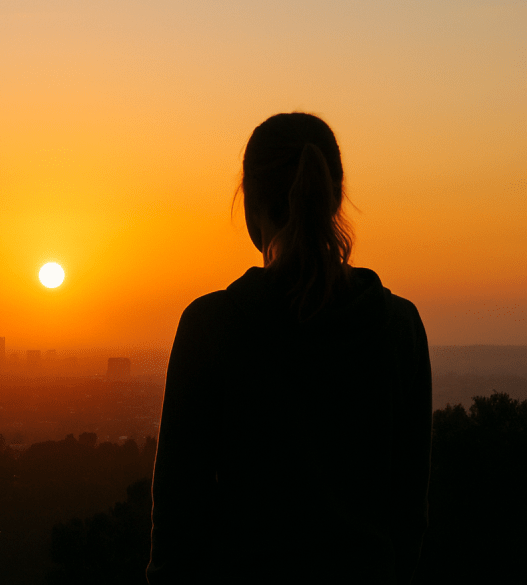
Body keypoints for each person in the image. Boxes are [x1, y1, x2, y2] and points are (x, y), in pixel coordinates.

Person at [148, 113, 432, 584]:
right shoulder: (397, 326)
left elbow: (177, 518)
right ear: (335, 196)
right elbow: (409, 510)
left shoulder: (212, 326)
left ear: (250, 204)